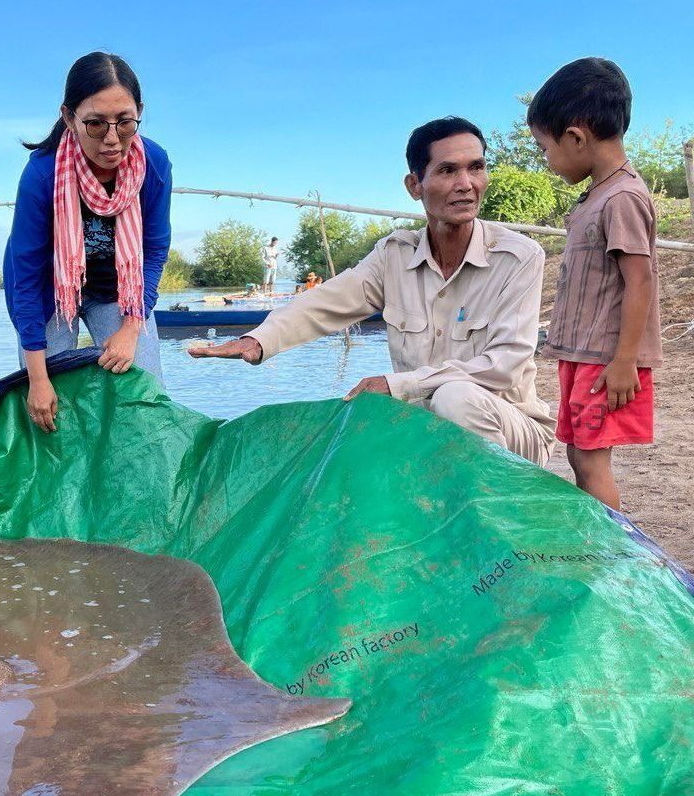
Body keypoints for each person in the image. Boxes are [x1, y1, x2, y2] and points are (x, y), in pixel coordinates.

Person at [190, 117, 555, 465]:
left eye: (476, 167)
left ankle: (484, 519)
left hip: (514, 432)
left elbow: (503, 367)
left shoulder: (518, 257)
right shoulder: (393, 256)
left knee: (455, 397)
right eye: (447, 170)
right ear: (415, 186)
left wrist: (397, 384)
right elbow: (323, 303)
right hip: (424, 428)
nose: (467, 183)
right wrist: (259, 340)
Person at [3, 52, 172, 433]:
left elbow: (155, 249)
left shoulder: (155, 164)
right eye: (95, 124)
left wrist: (131, 329)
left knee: (146, 396)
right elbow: (25, 279)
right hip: (51, 290)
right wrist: (38, 379)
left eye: (125, 122)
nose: (112, 140)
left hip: (119, 289)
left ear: (139, 112)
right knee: (51, 410)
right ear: (69, 117)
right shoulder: (43, 174)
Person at [528, 58, 661, 509]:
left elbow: (640, 283)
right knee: (577, 451)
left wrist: (625, 362)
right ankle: (600, 540)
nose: (546, 161)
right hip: (582, 353)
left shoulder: (622, 198)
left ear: (576, 136)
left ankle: (612, 553)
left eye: (544, 149)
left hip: (604, 359)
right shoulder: (597, 196)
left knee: (590, 459)